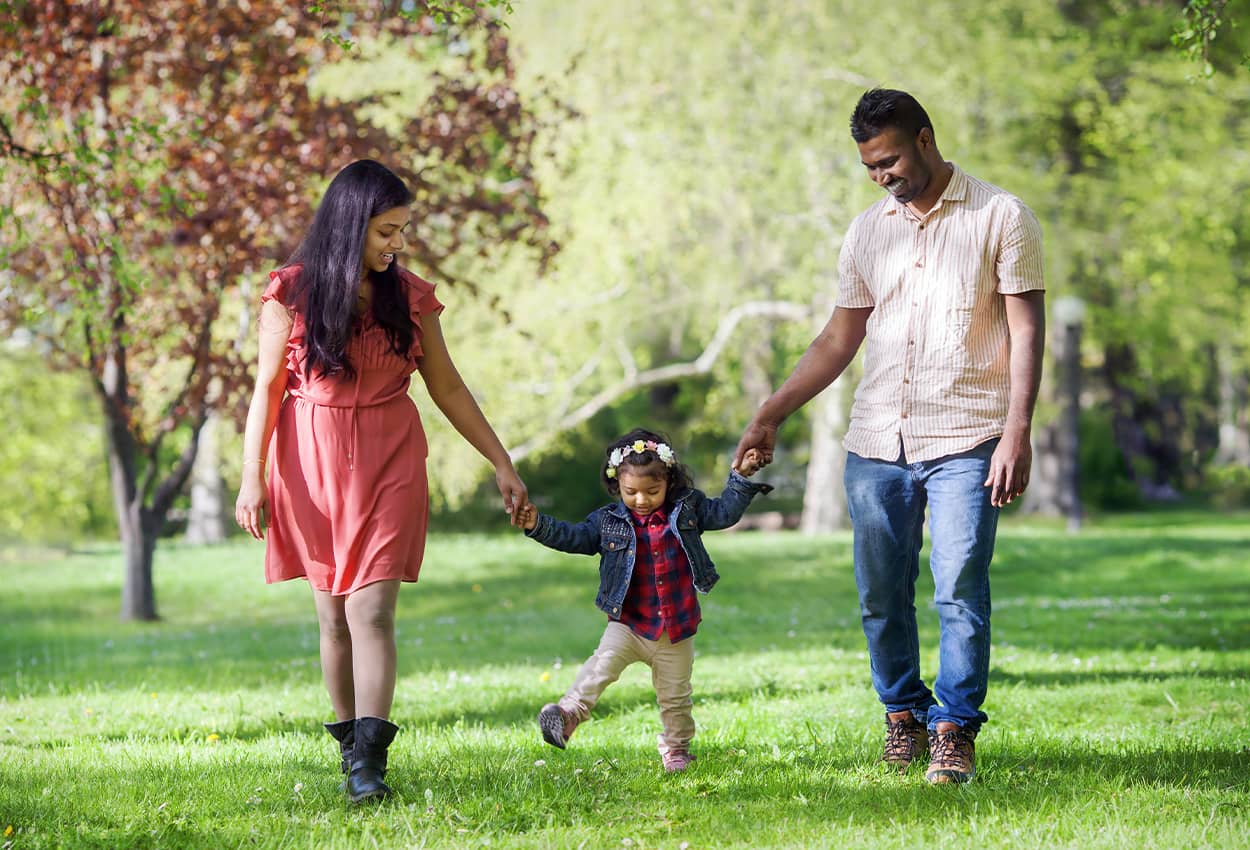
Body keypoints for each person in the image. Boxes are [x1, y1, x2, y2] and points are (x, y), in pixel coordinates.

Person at [734, 89, 1045, 784]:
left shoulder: (1002, 216)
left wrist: (1017, 433)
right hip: (878, 442)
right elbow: (838, 338)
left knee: (959, 586)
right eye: (871, 166)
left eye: (891, 159)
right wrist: (771, 410)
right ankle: (903, 714)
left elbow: (1026, 332)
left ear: (925, 139)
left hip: (969, 435)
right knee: (881, 593)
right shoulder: (868, 231)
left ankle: (955, 729)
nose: (882, 175)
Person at [233, 159, 529, 803]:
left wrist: (500, 461)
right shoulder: (289, 292)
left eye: (402, 230)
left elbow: (446, 385)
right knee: (333, 616)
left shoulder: (412, 296)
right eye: (387, 230)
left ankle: (371, 762)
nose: (398, 243)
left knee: (371, 608)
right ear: (350, 225)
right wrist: (250, 476)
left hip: (391, 457)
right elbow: (265, 388)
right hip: (308, 464)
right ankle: (348, 751)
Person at [515, 429, 770, 772]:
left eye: (652, 491)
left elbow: (724, 513)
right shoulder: (609, 522)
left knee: (676, 698)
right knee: (600, 666)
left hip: (675, 628)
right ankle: (568, 714)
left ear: (669, 481)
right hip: (629, 625)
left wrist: (741, 477)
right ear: (616, 484)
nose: (641, 500)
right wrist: (537, 525)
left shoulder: (686, 509)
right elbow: (575, 537)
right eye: (630, 492)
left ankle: (677, 750)